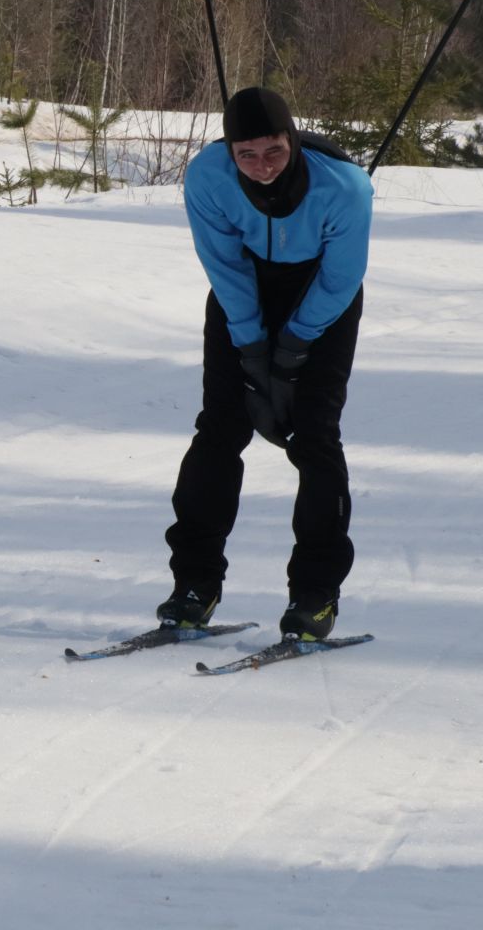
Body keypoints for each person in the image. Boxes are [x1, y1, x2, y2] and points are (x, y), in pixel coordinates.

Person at [158, 87, 373, 641]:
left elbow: (341, 278)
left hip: (321, 297)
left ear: (293, 140)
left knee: (315, 437)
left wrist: (294, 347)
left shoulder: (345, 187)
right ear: (230, 151)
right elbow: (222, 263)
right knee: (220, 429)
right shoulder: (208, 176)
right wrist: (252, 348)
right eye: (246, 155)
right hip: (242, 292)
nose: (261, 167)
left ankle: (315, 595)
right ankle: (194, 587)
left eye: (274, 151)